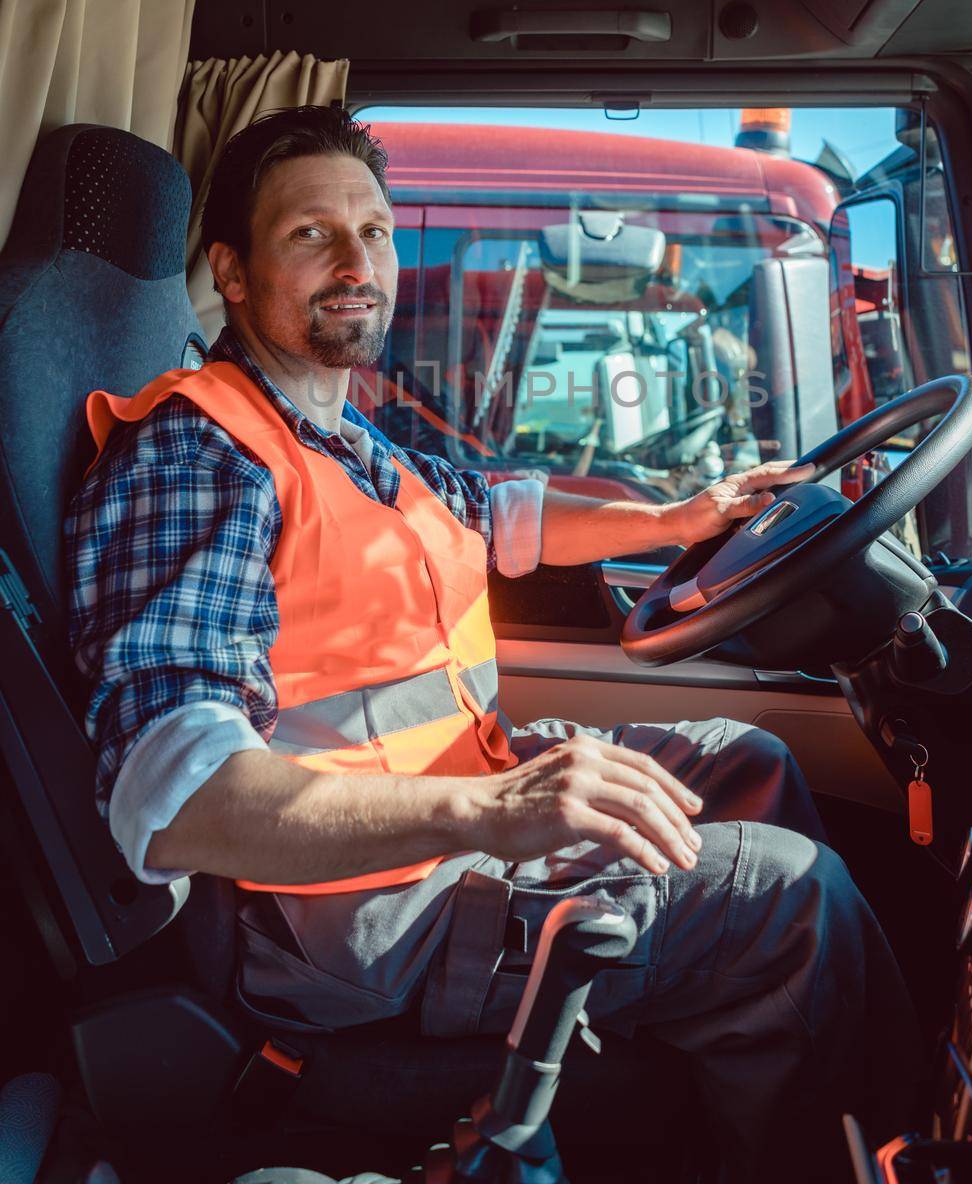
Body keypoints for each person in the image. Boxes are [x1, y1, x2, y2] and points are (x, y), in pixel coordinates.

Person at [67, 106, 919, 1183]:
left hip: (438, 820)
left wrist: (680, 515)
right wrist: (490, 811)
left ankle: (722, 1079)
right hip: (355, 923)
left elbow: (494, 509)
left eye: (373, 230)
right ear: (230, 273)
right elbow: (174, 798)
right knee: (788, 901)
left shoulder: (332, 428)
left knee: (748, 761)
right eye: (310, 234)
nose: (356, 261)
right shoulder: (199, 455)